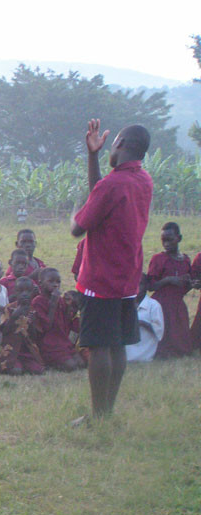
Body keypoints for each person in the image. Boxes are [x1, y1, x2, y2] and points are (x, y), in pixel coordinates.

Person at [71, 119, 152, 417]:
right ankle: (108, 411)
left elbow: (78, 227)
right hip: (127, 277)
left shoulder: (113, 184)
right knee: (117, 345)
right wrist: (93, 155)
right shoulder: (142, 180)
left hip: (100, 277)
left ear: (120, 144)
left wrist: (73, 213)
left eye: (114, 139)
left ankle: (98, 416)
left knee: (98, 346)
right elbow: (101, 192)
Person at [146, 222, 193, 358]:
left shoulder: (185, 260)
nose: (166, 244)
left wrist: (190, 283)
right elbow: (150, 286)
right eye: (163, 240)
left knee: (181, 342)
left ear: (179, 238)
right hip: (161, 305)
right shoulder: (158, 259)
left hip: (178, 304)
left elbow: (185, 287)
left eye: (169, 240)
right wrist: (168, 280)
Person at [31, 268, 85, 371]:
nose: (55, 285)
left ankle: (62, 359)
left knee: (81, 363)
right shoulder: (38, 301)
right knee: (71, 366)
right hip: (48, 345)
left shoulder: (60, 301)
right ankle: (49, 364)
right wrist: (52, 305)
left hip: (63, 342)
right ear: (40, 283)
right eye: (51, 281)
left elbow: (67, 321)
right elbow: (46, 327)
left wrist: (70, 306)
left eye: (58, 282)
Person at [0, 276, 44, 375]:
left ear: (32, 292)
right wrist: (15, 315)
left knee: (38, 370)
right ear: (15, 292)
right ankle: (18, 366)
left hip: (27, 350)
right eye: (21, 291)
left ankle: (24, 365)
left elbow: (35, 336)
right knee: (15, 371)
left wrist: (31, 324)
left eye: (28, 291)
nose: (24, 294)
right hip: (10, 349)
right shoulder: (9, 309)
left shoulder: (33, 311)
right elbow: (4, 331)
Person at [126, 274, 164, 362]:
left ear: (147, 286)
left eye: (140, 284)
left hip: (145, 349)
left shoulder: (154, 305)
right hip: (126, 347)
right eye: (134, 284)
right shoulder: (125, 303)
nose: (137, 287)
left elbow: (159, 331)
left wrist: (142, 323)